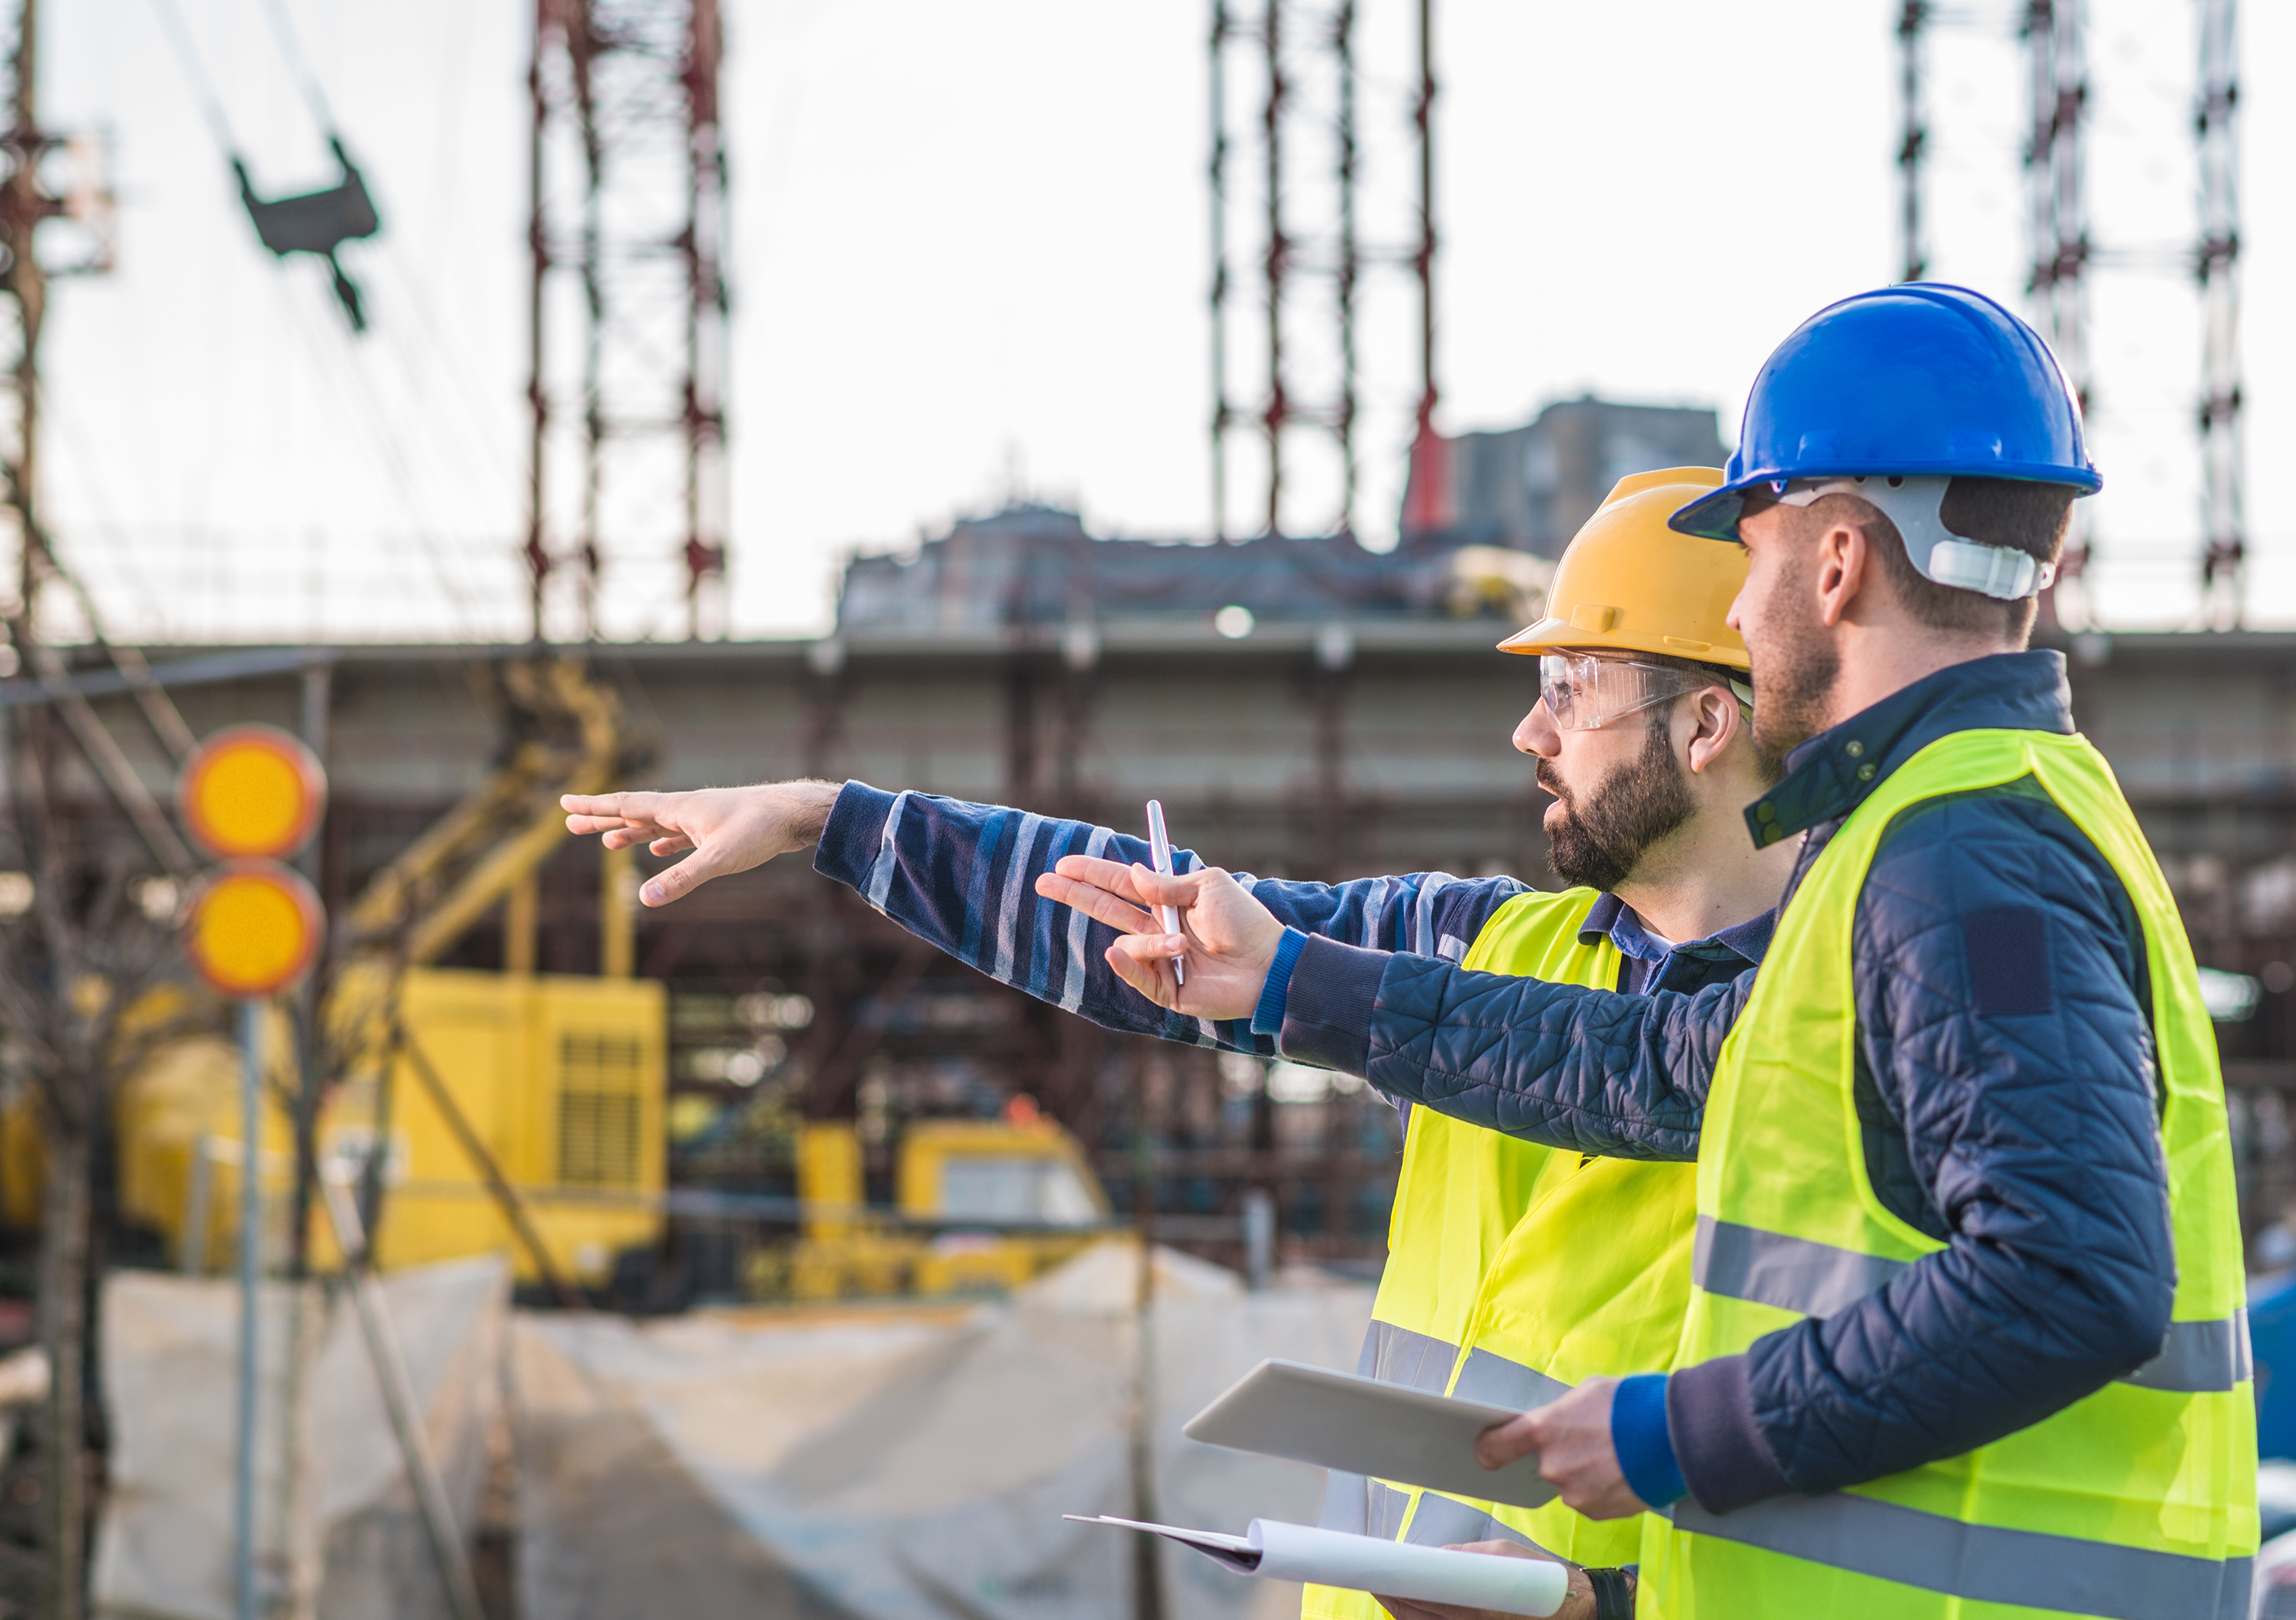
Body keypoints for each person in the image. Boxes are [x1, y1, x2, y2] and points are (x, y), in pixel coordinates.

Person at [1060, 284, 2257, 1620]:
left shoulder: (1964, 848)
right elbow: (1654, 1067)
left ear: (1840, 562)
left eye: (1749, 560)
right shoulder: (1949, 828)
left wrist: (1666, 1435)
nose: (1741, 617)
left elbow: (2071, 1277)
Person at [562, 469, 1795, 1620]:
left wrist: (1601, 1603)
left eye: (1569, 691)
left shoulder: (1849, 1022)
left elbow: (1864, 1467)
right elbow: (1158, 928)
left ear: (1701, 724)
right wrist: (831, 821)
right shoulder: (1482, 945)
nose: (1530, 734)